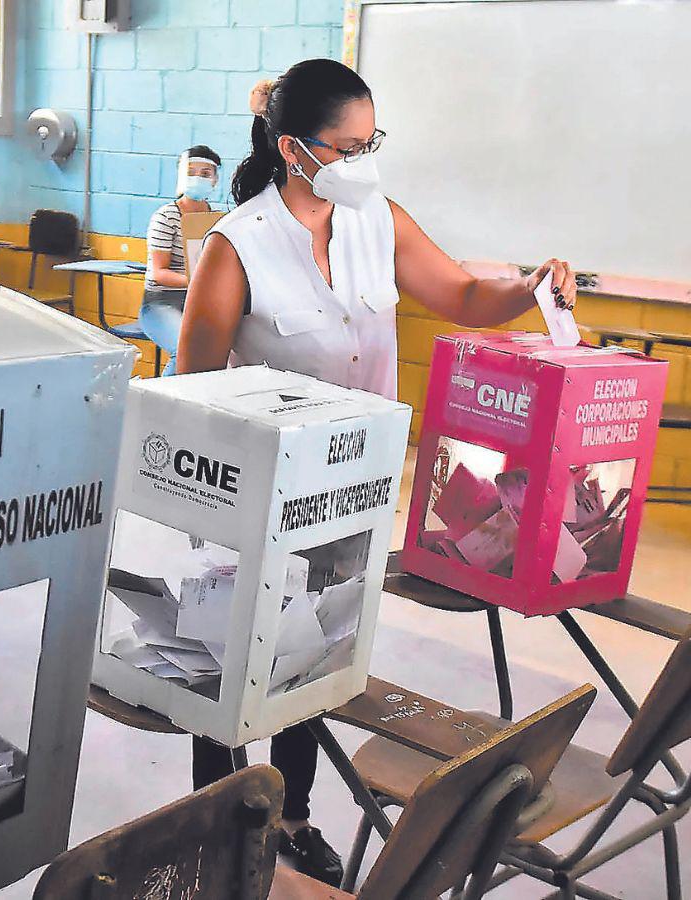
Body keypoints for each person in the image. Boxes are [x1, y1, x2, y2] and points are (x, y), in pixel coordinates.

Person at [177, 59, 577, 886]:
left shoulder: (378, 222)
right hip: (257, 501)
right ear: (293, 149)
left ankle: (290, 819)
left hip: (351, 494)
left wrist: (532, 282)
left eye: (372, 142)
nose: (363, 161)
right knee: (229, 677)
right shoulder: (236, 246)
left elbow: (465, 294)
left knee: (315, 665)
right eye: (347, 146)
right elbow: (193, 398)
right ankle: (216, 839)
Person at [140, 145, 220, 375]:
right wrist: (197, 282)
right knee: (185, 350)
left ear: (215, 180)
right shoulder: (166, 216)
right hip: (161, 302)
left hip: (199, 302)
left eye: (206, 174)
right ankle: (161, 406)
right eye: (191, 172)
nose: (198, 178)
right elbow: (159, 272)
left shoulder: (216, 219)